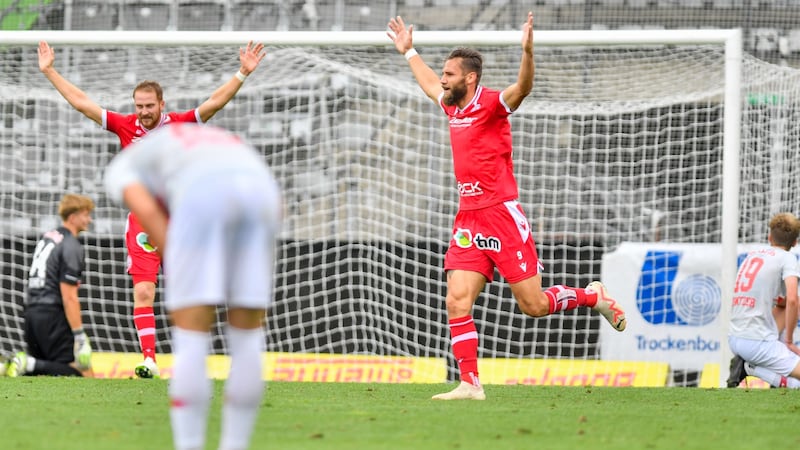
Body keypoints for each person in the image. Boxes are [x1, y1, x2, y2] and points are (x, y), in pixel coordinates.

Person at [387, 12, 626, 400]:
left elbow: (523, 87)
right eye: (443, 74)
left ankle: (592, 296)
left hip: (501, 216)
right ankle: (470, 383)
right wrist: (409, 51)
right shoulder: (451, 105)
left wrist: (527, 52)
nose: (443, 79)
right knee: (456, 299)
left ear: (470, 78)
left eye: (449, 74)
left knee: (533, 305)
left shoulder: (492, 104)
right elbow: (428, 83)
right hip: (468, 219)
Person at [38, 40, 266, 378]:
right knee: (144, 290)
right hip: (143, 223)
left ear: (161, 103)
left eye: (148, 106)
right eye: (138, 106)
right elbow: (82, 103)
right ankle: (149, 359)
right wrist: (50, 71)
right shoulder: (125, 126)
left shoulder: (179, 123)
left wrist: (242, 73)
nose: (142, 112)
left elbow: (214, 103)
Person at [103, 123, 282, 450]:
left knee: (191, 335)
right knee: (246, 335)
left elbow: (144, 208)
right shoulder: (200, 140)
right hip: (263, 188)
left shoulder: (125, 166)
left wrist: (179, 254)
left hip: (203, 194)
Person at [6, 193, 95, 378]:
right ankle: (29, 363)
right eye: (86, 215)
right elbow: (69, 296)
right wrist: (79, 335)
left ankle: (28, 364)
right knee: (83, 373)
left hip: (32, 313)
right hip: (52, 315)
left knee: (42, 376)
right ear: (73, 216)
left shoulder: (47, 237)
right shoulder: (71, 245)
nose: (89, 219)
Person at [728, 212, 800, 388]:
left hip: (735, 337)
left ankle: (749, 365)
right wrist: (789, 341)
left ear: (769, 237)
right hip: (756, 342)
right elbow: (792, 300)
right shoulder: (787, 257)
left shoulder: (754, 254)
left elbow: (784, 303)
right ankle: (750, 368)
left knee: (786, 306)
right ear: (794, 242)